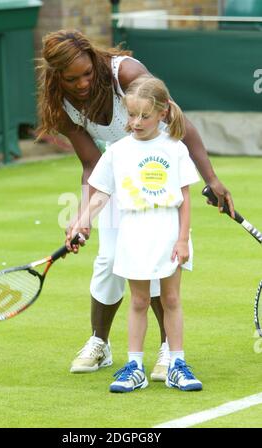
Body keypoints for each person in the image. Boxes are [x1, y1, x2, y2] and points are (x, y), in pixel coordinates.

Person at [36, 29, 233, 381]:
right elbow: (92, 165)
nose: (82, 83)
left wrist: (211, 179)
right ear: (57, 77)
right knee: (108, 261)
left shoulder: (124, 73)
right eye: (71, 79)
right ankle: (100, 343)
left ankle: (166, 351)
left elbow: (178, 123)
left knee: (161, 263)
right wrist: (82, 218)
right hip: (119, 171)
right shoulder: (62, 105)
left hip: (157, 172)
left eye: (87, 73)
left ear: (95, 62)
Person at [69, 74, 203, 392]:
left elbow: (184, 199)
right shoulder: (118, 151)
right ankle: (135, 367)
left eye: (145, 115)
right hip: (133, 233)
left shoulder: (175, 149)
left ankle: (176, 363)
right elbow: (100, 193)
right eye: (131, 115)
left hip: (168, 232)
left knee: (170, 298)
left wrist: (183, 239)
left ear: (163, 113)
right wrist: (82, 220)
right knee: (139, 301)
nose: (136, 122)